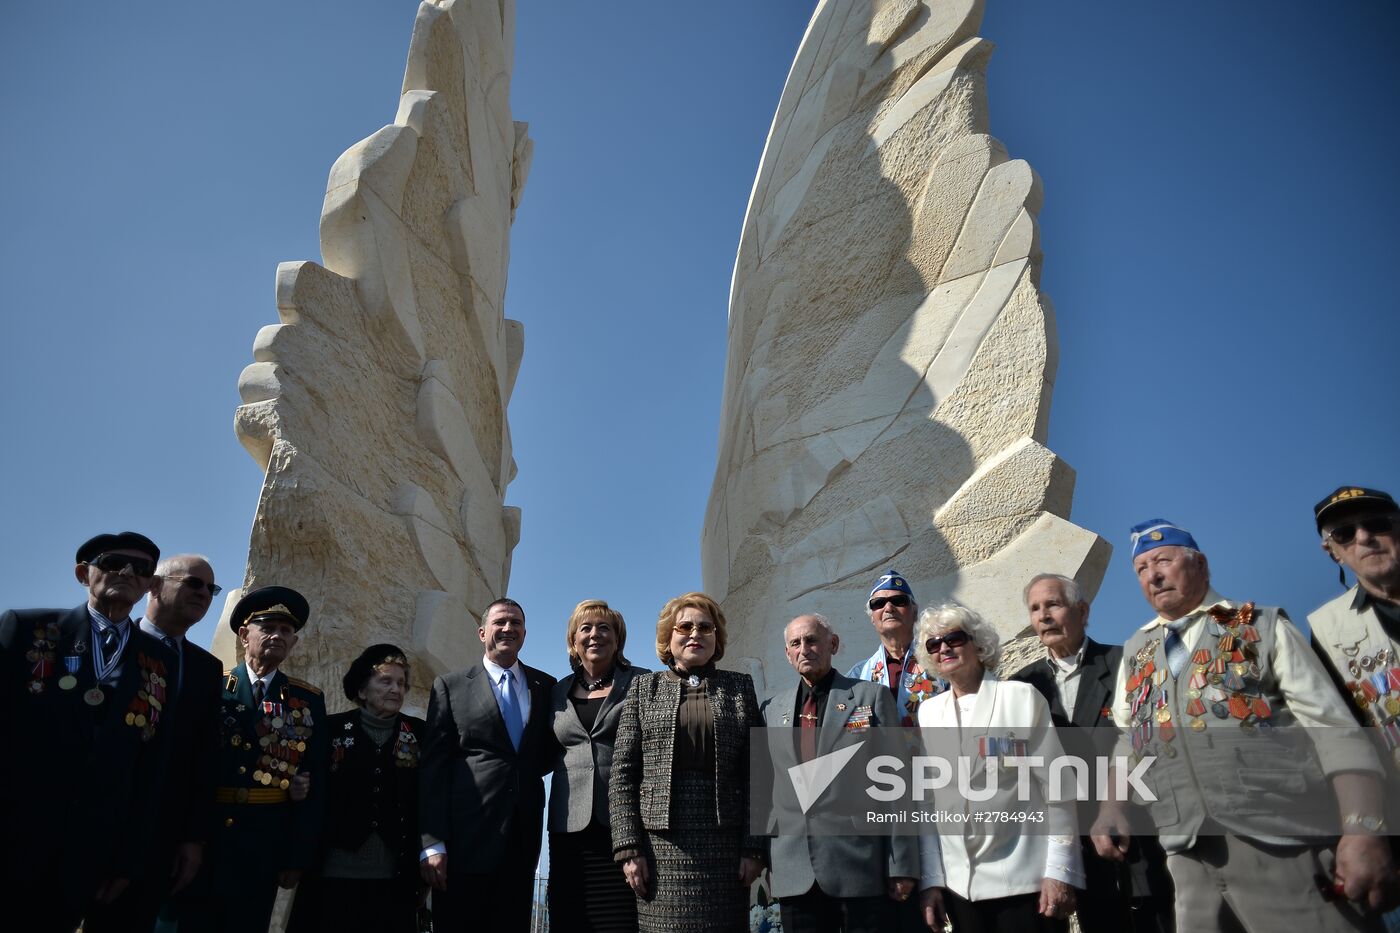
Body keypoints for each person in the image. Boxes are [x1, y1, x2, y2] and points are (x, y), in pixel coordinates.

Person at [1091, 519, 1395, 933]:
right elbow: (1129, 739)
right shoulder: (1136, 652)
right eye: (1142, 569)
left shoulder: (1261, 626)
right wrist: (1111, 806)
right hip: (1186, 855)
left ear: (1201, 565)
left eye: (1163, 560)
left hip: (1281, 842)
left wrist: (1363, 828)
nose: (1153, 576)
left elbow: (1333, 729)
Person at [0, 530, 177, 933]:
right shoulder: (29, 629)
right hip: (16, 833)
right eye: (114, 562)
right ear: (84, 573)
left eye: (142, 568)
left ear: (150, 585)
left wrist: (130, 859)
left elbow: (152, 765)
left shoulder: (159, 659)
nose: (128, 572)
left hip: (91, 850)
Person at [1009, 573, 1174, 933]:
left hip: (1139, 835)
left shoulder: (1128, 663)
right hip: (1076, 851)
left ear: (1083, 611)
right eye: (1035, 609)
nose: (1043, 615)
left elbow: (1150, 743)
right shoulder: (1021, 688)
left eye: (1053, 604)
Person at [915, 603, 1083, 933]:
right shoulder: (929, 713)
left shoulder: (1019, 698)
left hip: (1026, 884)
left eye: (954, 638)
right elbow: (927, 806)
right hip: (960, 888)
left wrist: (1060, 871)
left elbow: (1059, 790)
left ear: (977, 644)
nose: (944, 648)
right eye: (933, 644)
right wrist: (931, 882)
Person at [86, 554, 226, 933]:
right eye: (193, 583)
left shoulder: (206, 668)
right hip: (96, 826)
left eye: (210, 588)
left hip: (161, 837)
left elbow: (203, 756)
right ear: (154, 586)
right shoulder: (111, 645)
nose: (203, 594)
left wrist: (193, 837)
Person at [178, 585, 330, 933]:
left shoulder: (307, 701)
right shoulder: (210, 686)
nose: (277, 635)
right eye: (268, 627)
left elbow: (315, 779)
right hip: (207, 835)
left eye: (286, 631)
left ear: (294, 643)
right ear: (245, 635)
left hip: (265, 842)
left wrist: (296, 855)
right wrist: (187, 835)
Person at [609, 592, 763, 932]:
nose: (695, 634)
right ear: (668, 637)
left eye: (705, 627)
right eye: (685, 626)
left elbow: (759, 773)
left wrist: (754, 848)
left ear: (717, 638)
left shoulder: (740, 688)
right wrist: (629, 849)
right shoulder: (642, 689)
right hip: (659, 848)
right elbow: (622, 775)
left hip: (725, 847)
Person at [759, 613, 918, 933]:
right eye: (795, 643)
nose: (805, 648)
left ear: (832, 644)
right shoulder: (771, 710)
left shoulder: (870, 697)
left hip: (858, 868)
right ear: (788, 654)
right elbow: (765, 790)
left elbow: (896, 785)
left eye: (812, 640)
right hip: (794, 872)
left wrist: (901, 864)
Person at [418, 597, 557, 932]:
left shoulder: (546, 686)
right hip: (463, 843)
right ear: (482, 632)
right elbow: (433, 769)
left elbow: (550, 752)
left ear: (525, 633)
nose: (508, 628)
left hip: (522, 842)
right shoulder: (450, 686)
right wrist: (431, 844)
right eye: (500, 622)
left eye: (516, 623)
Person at [1306, 487, 1400, 933]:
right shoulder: (1325, 629)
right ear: (1333, 552)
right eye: (1346, 532)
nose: (1365, 538)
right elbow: (1337, 735)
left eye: (1378, 524)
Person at [289, 643, 426, 933]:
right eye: (386, 681)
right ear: (362, 690)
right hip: (332, 876)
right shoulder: (330, 730)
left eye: (401, 683)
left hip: (395, 878)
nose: (396, 689)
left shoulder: (419, 734)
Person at [548, 599, 648, 933]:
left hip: (626, 824)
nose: (595, 635)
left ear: (618, 639)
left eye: (604, 628)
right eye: (586, 628)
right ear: (573, 641)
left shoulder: (642, 682)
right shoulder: (555, 691)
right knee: (570, 916)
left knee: (621, 920)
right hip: (568, 824)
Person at [846, 569, 942, 726]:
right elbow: (855, 732)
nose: (889, 608)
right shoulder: (857, 676)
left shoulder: (939, 661)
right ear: (872, 617)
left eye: (899, 601)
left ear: (915, 611)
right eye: (878, 603)